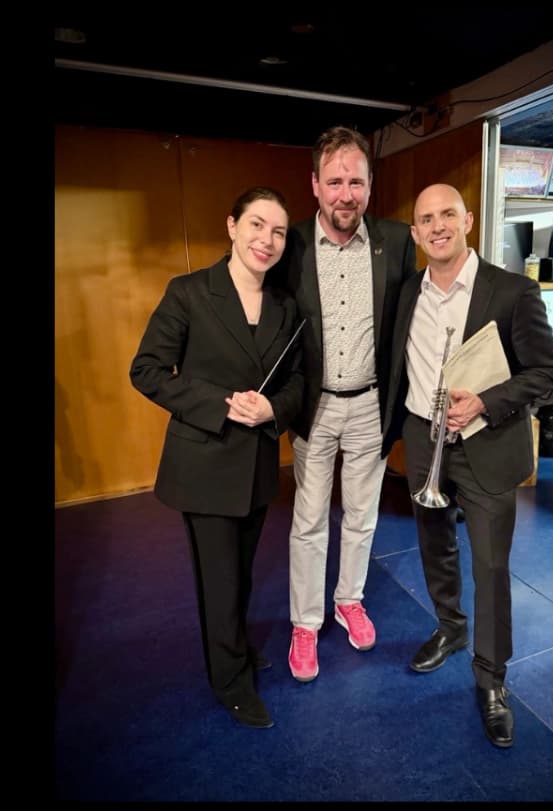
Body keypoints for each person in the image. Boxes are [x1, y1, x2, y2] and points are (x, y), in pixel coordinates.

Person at [385, 183, 553, 748]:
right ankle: (450, 628)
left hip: (487, 442)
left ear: (466, 221)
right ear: (415, 233)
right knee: (434, 545)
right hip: (423, 437)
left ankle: (491, 678)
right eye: (426, 219)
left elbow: (547, 374)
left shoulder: (512, 291)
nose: (437, 226)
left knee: (489, 566)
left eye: (447, 215)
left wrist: (485, 401)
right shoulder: (406, 292)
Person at [130, 187, 305, 729]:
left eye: (278, 232)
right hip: (204, 464)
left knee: (242, 574)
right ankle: (230, 682)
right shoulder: (188, 292)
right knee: (220, 578)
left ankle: (234, 649)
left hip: (256, 464)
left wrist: (272, 408)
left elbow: (298, 381)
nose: (266, 240)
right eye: (256, 225)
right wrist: (223, 405)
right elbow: (146, 371)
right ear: (232, 226)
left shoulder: (286, 306)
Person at [275, 126, 416, 682]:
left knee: (361, 516)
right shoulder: (291, 244)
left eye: (356, 182)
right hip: (314, 407)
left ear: (370, 185)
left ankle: (348, 600)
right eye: (334, 182)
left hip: (371, 406)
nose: (346, 194)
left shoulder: (396, 241)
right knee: (309, 520)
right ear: (314, 185)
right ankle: (305, 623)